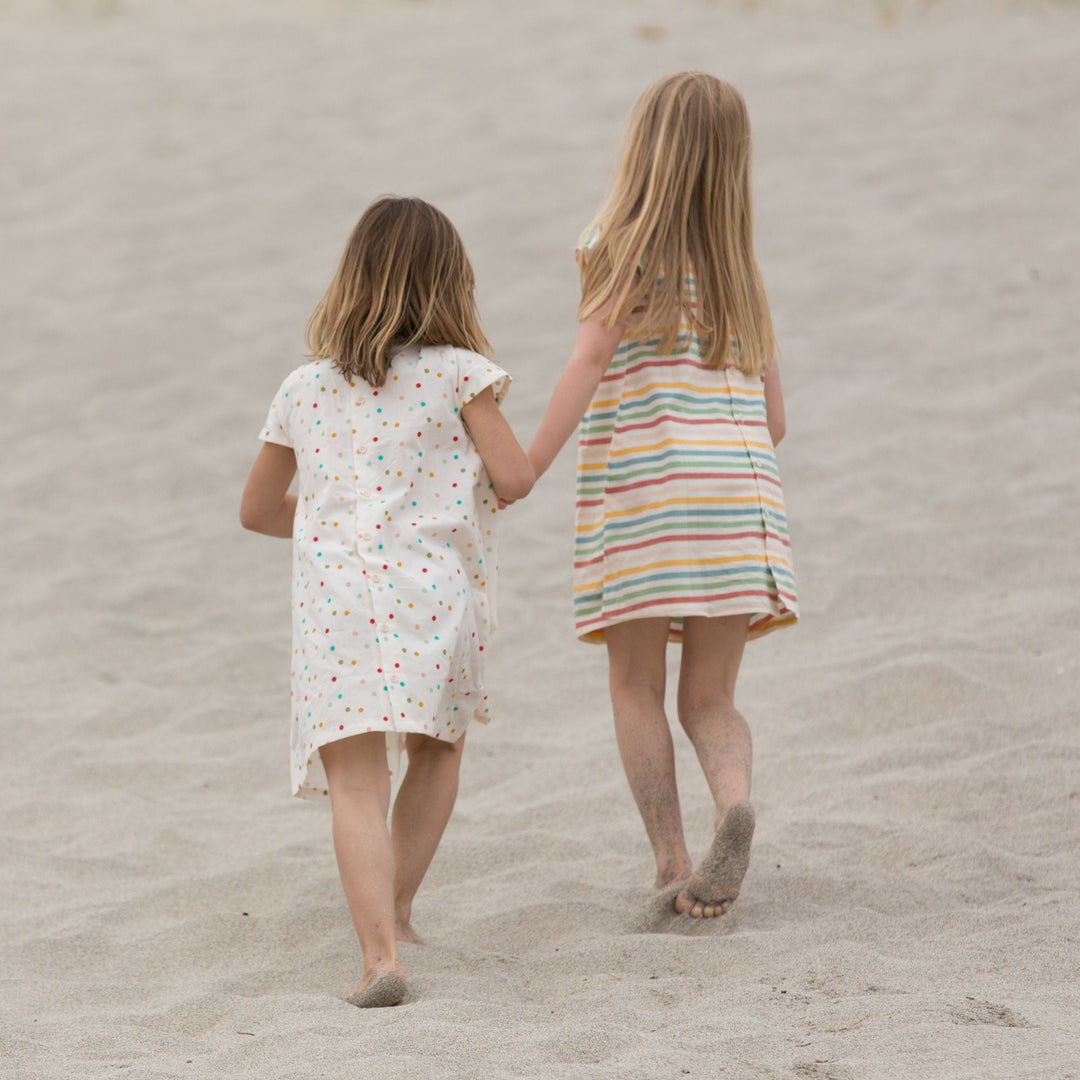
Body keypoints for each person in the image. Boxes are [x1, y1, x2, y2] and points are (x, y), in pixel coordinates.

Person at [240, 196, 533, 1007]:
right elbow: (513, 480)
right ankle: (399, 909)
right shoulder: (460, 374)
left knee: (357, 783)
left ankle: (378, 960)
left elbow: (258, 511)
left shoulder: (302, 390)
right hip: (432, 592)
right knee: (436, 752)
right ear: (450, 284)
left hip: (337, 597)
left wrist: (342, 518)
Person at [525, 73, 798, 919]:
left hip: (649, 496)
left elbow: (591, 357)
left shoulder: (614, 241)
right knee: (710, 698)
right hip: (739, 497)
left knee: (635, 682)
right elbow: (776, 419)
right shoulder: (738, 271)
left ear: (644, 148)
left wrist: (530, 462)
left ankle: (673, 860)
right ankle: (734, 803)